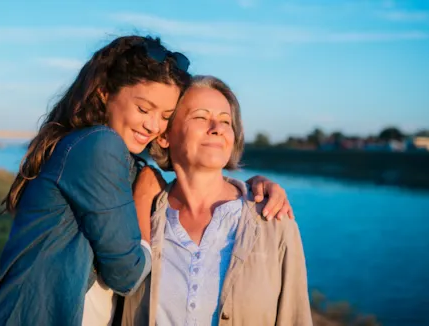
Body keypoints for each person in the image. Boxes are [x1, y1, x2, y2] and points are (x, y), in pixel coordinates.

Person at [0, 36, 293, 326]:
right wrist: (142, 202)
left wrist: (253, 186)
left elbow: (195, 174)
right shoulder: (98, 144)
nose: (154, 125)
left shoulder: (120, 162)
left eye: (165, 116)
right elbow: (125, 275)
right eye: (144, 108)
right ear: (104, 93)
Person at [122, 75, 312, 326]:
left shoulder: (273, 219)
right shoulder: (141, 212)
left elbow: (295, 318)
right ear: (164, 136)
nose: (217, 127)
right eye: (200, 117)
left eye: (225, 121)